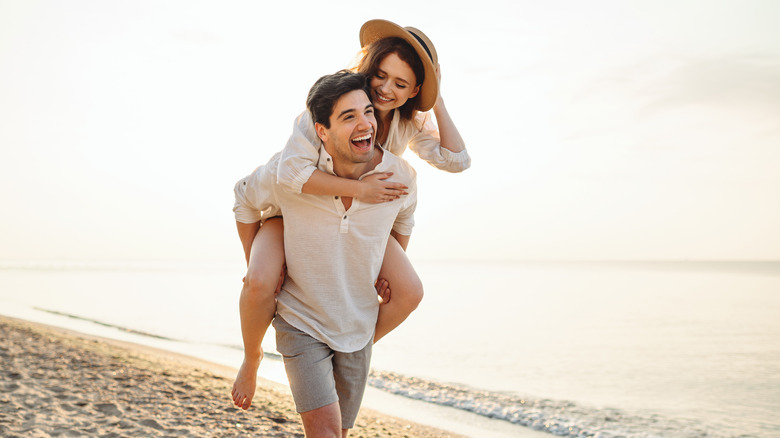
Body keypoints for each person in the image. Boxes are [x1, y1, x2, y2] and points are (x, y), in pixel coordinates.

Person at [232, 19, 470, 411]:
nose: (386, 89)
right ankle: (253, 355)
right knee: (259, 281)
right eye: (381, 75)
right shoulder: (335, 103)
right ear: (370, 66)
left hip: (357, 217)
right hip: (297, 206)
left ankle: (345, 344)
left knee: (408, 291)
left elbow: (457, 160)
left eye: (402, 83)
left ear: (415, 89)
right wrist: (361, 189)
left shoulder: (410, 119)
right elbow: (291, 174)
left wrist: (436, 95)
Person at [233, 70, 418, 437]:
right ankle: (251, 356)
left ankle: (352, 342)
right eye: (348, 117)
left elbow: (403, 222)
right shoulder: (291, 174)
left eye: (367, 111)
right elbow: (243, 200)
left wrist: (382, 271)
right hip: (300, 320)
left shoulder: (401, 177)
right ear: (321, 131)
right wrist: (256, 263)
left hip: (357, 327)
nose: (365, 123)